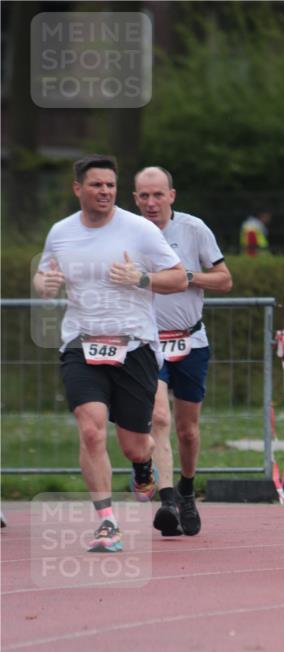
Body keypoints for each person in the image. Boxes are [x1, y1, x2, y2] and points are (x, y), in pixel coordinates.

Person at [34, 154, 187, 553]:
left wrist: (141, 277)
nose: (104, 191)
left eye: (110, 185)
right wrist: (44, 283)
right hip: (80, 342)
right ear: (78, 188)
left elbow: (177, 276)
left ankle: (142, 466)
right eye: (96, 184)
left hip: (133, 344)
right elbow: (44, 273)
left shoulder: (139, 230)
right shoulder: (61, 232)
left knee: (135, 443)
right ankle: (106, 523)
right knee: (90, 428)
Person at [133, 166, 233, 536]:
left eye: (158, 194)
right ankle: (168, 500)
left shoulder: (193, 229)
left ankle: (187, 489)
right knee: (159, 418)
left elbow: (225, 279)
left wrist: (188, 277)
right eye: (143, 196)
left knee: (188, 430)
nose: (151, 202)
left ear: (171, 196)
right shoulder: (127, 232)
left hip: (190, 340)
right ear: (135, 199)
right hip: (146, 343)